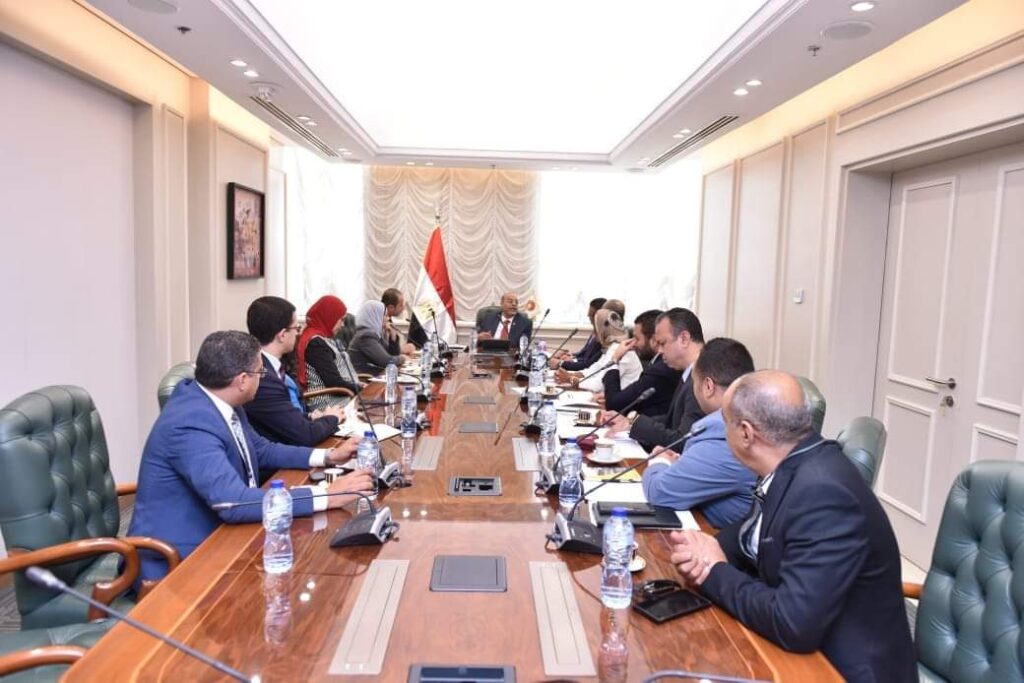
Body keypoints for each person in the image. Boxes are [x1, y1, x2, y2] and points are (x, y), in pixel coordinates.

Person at [669, 370, 916, 682]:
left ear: (746, 433)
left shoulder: (823, 492)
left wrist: (712, 570)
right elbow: (755, 529)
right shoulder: (794, 457)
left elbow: (792, 623)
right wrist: (708, 546)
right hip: (810, 644)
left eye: (724, 423)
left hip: (842, 669)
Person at [128, 331, 374, 582]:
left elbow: (262, 450)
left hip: (223, 537)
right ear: (243, 380)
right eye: (260, 373)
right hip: (177, 561)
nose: (263, 378)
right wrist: (327, 496)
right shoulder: (190, 423)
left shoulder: (221, 401)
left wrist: (328, 456)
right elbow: (232, 503)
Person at [641, 338, 757, 527]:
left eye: (694, 382)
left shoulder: (725, 430)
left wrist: (659, 461)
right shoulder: (750, 416)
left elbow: (659, 493)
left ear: (708, 386)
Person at [243, 296, 346, 446]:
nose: (298, 333)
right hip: (280, 463)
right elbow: (304, 435)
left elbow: (281, 417)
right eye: (296, 328)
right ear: (282, 335)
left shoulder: (269, 365)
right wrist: (331, 418)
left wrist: (310, 417)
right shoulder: (264, 378)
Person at [606, 308, 705, 448]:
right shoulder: (688, 372)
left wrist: (635, 424)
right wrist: (631, 423)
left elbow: (682, 441)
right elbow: (672, 420)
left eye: (663, 343)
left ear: (684, 339)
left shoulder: (703, 379)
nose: (659, 350)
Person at [598, 309, 681, 417]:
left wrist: (614, 360)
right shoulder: (657, 364)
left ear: (654, 340)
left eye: (637, 338)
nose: (633, 344)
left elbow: (614, 404)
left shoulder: (660, 370)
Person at [296, 295, 361, 411]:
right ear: (330, 316)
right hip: (328, 403)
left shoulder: (321, 337)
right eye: (341, 319)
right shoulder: (316, 343)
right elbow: (334, 382)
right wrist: (361, 388)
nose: (342, 325)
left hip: (342, 395)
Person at [568, 310, 642, 393]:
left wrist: (571, 380)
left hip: (620, 403)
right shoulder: (613, 346)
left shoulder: (621, 350)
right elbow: (595, 370)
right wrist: (570, 376)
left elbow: (599, 385)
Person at [348, 300, 407, 374]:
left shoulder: (373, 333)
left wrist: (393, 337)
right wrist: (403, 358)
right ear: (375, 316)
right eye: (385, 315)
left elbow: (391, 355)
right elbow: (387, 361)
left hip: (374, 376)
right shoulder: (366, 336)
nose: (388, 318)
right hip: (365, 379)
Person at [551, 297, 606, 371]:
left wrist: (561, 363)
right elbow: (584, 353)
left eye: (591, 314)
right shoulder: (594, 331)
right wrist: (571, 356)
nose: (587, 315)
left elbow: (588, 364)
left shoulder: (604, 338)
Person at [382, 287, 423, 353]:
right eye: (401, 305)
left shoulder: (389, 320)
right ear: (391, 307)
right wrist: (402, 350)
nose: (403, 308)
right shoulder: (379, 322)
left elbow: (393, 350)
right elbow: (383, 352)